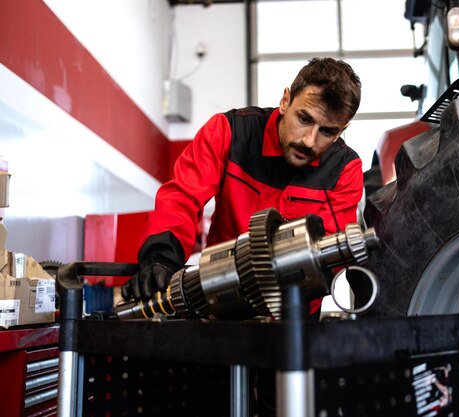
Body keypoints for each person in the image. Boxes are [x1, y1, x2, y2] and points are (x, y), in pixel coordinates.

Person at [121, 56, 363, 416]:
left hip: (291, 325)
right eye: (304, 119)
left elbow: (326, 255)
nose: (310, 141)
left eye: (328, 131)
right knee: (210, 404)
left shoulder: (344, 170)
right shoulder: (230, 132)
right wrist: (160, 256)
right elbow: (182, 197)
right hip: (219, 309)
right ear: (285, 101)